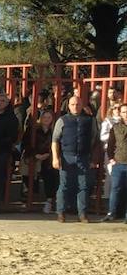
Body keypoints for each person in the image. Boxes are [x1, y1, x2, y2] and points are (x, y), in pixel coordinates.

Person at [52, 93, 96, 223]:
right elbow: (55, 140)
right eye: (73, 105)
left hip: (83, 156)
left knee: (83, 186)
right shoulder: (62, 120)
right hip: (66, 156)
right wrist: (55, 157)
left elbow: (94, 139)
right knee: (64, 185)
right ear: (69, 106)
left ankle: (82, 213)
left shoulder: (90, 120)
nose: (75, 107)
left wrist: (92, 157)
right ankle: (61, 212)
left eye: (78, 104)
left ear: (82, 105)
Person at [102, 102, 127, 223]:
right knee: (115, 188)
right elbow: (110, 145)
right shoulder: (115, 127)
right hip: (119, 163)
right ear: (120, 114)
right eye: (124, 112)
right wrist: (112, 158)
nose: (126, 114)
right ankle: (111, 213)